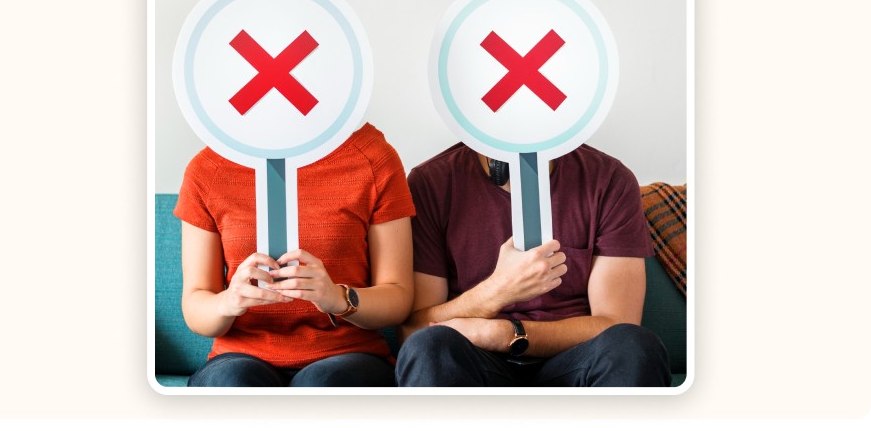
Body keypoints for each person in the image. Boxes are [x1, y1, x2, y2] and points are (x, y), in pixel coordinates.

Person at [395, 143, 671, 387]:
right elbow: (414, 331)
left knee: (633, 346)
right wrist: (498, 290)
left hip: (574, 360)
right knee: (428, 348)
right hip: (476, 360)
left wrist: (506, 334)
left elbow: (616, 323)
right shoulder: (432, 181)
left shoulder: (609, 179)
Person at [174, 123, 415, 387]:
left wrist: (338, 298)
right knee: (232, 383)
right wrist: (229, 302)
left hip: (348, 354)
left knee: (322, 385)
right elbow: (197, 303)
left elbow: (398, 296)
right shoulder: (209, 168)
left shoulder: (372, 157)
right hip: (239, 357)